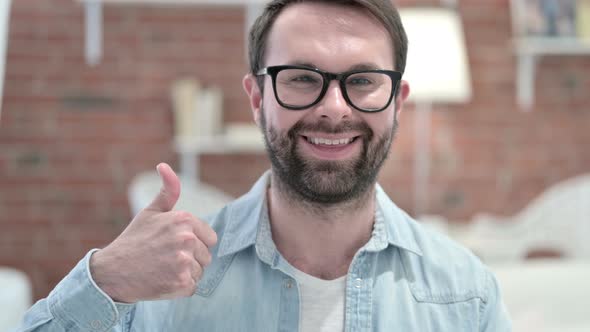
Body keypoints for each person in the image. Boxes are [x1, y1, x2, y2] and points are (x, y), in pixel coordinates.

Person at [17, 0, 512, 331]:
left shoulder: (464, 294)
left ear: (397, 102)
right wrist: (105, 281)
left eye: (362, 81)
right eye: (300, 78)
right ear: (256, 98)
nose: (335, 108)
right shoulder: (160, 287)